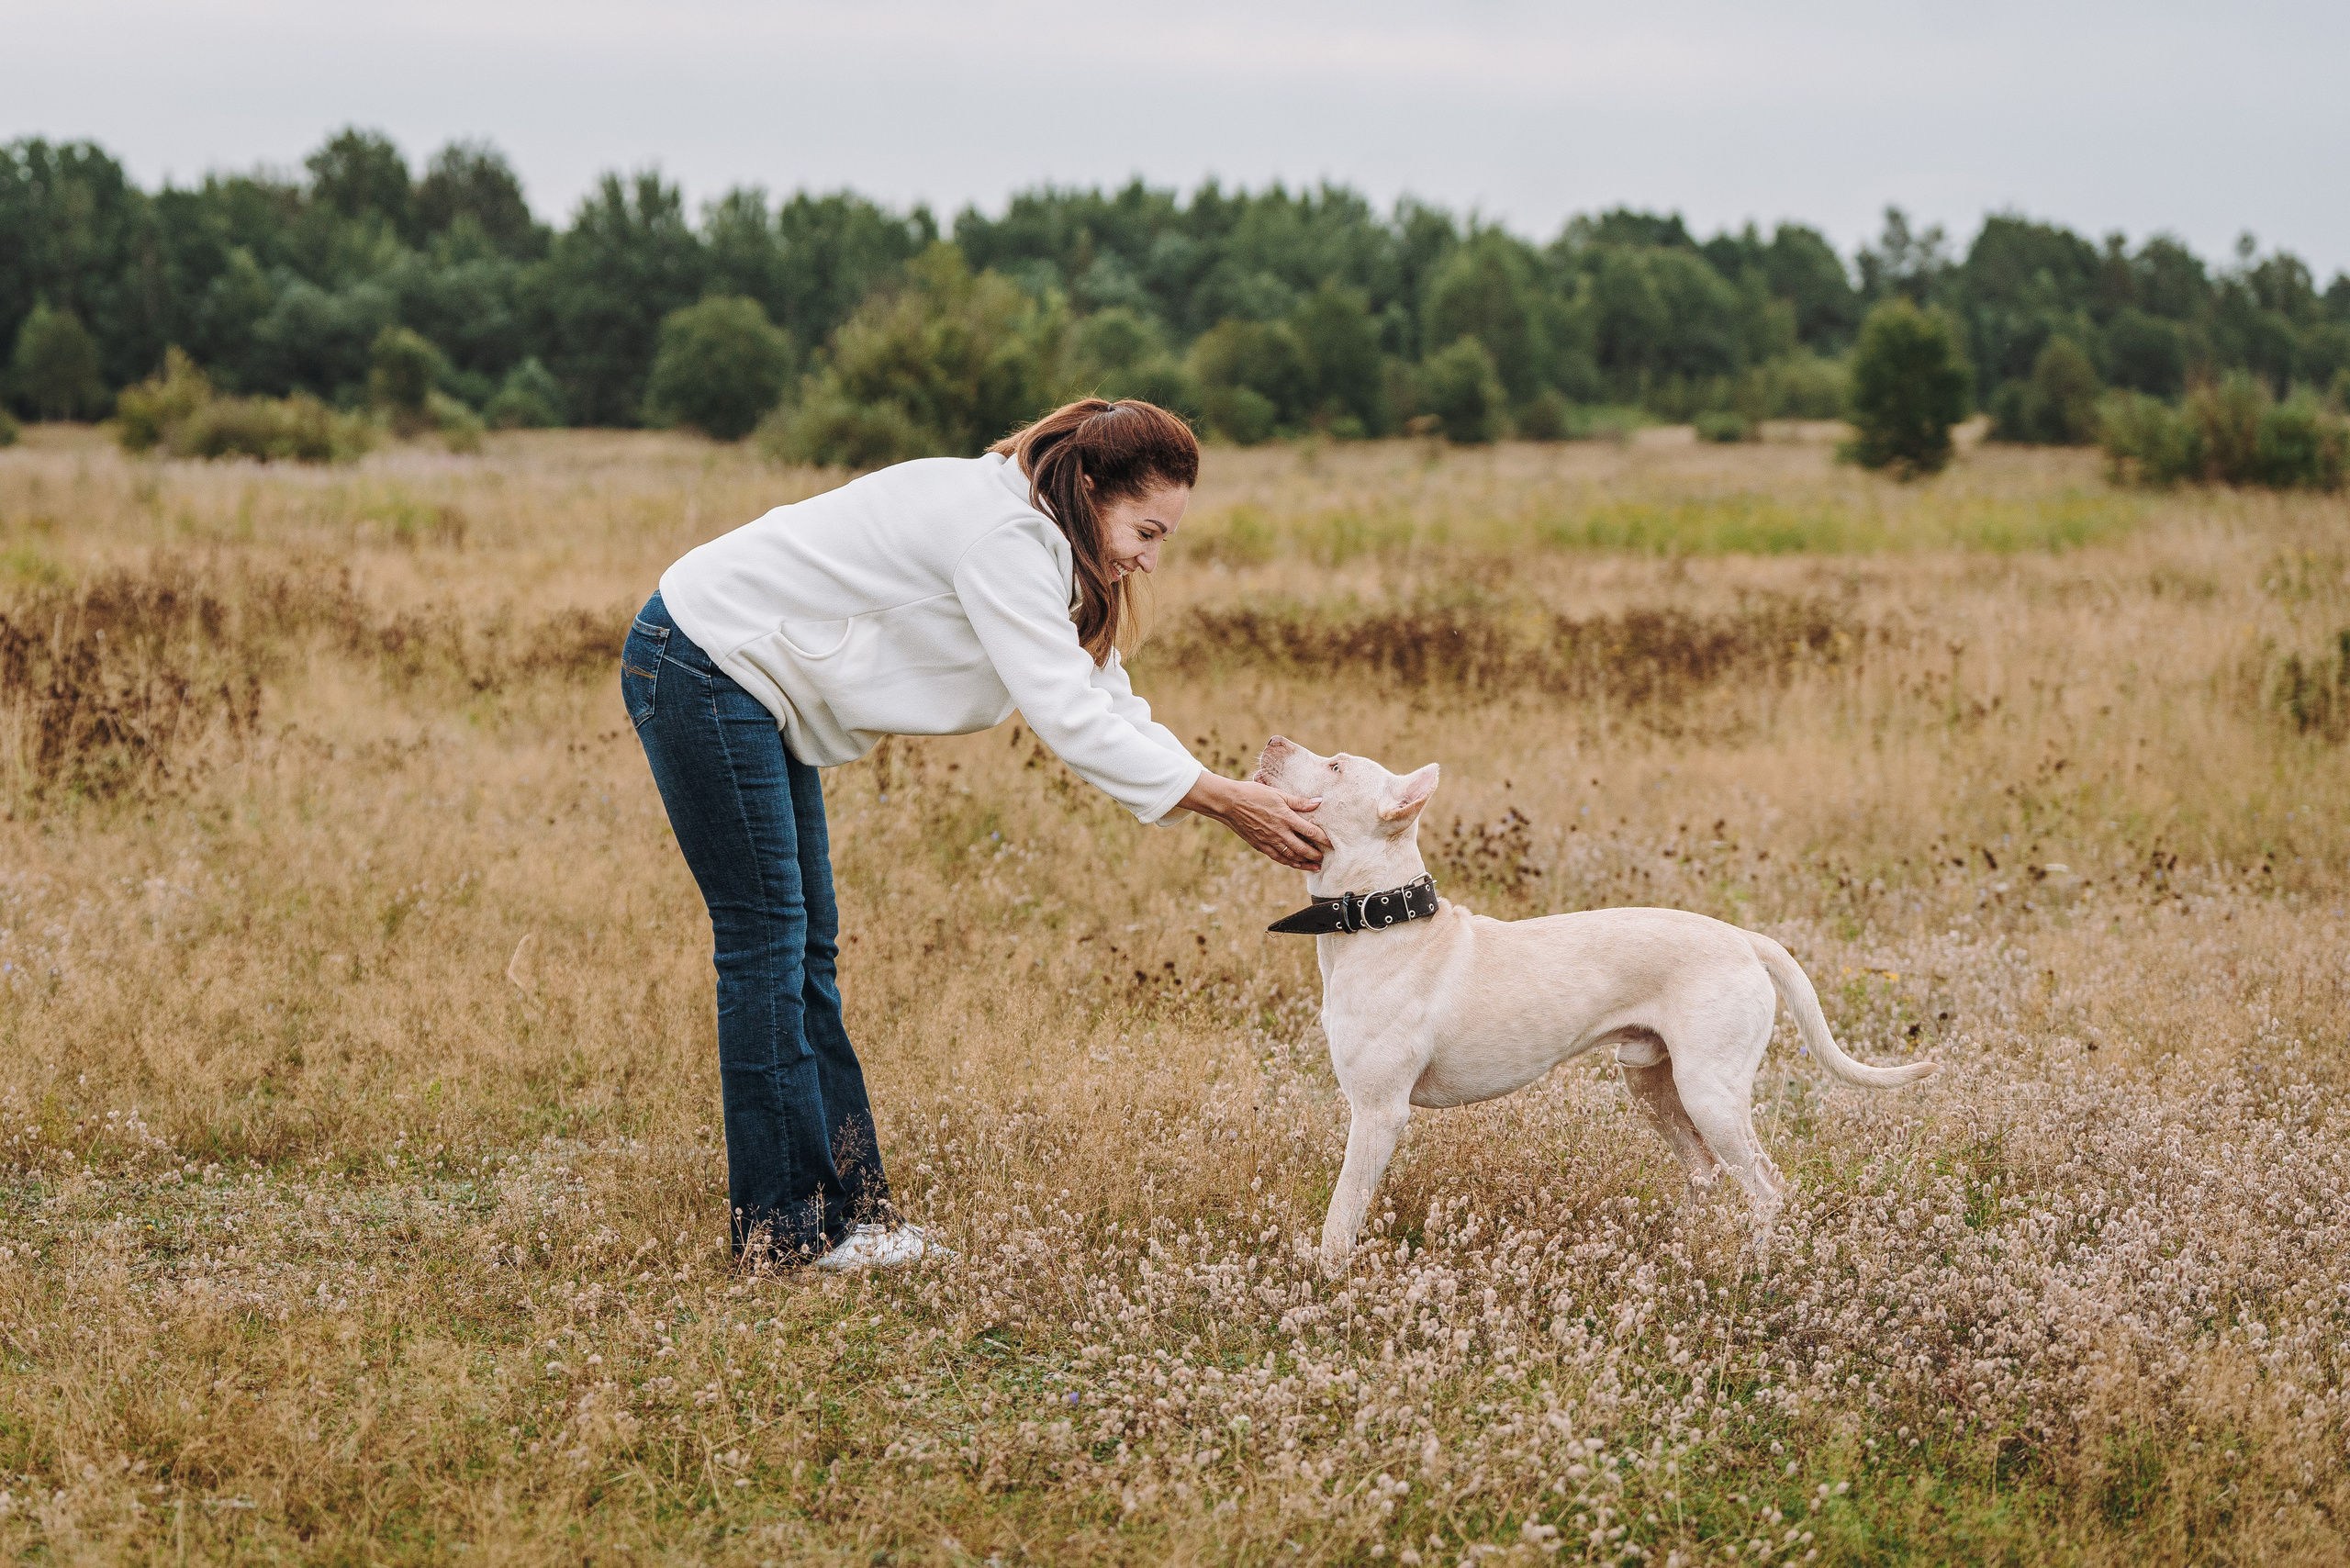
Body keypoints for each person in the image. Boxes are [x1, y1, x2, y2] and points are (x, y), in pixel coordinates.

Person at [623, 398, 1330, 1269]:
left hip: (746, 681)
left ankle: (854, 1216)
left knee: (806, 952)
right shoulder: (1001, 535)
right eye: (1145, 532)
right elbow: (1069, 716)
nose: (1147, 560)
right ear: (1090, 485)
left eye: (1161, 542)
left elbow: (1104, 695)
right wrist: (1224, 801)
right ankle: (783, 1235)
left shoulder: (1047, 540)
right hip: (701, 659)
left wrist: (1219, 791)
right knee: (767, 944)